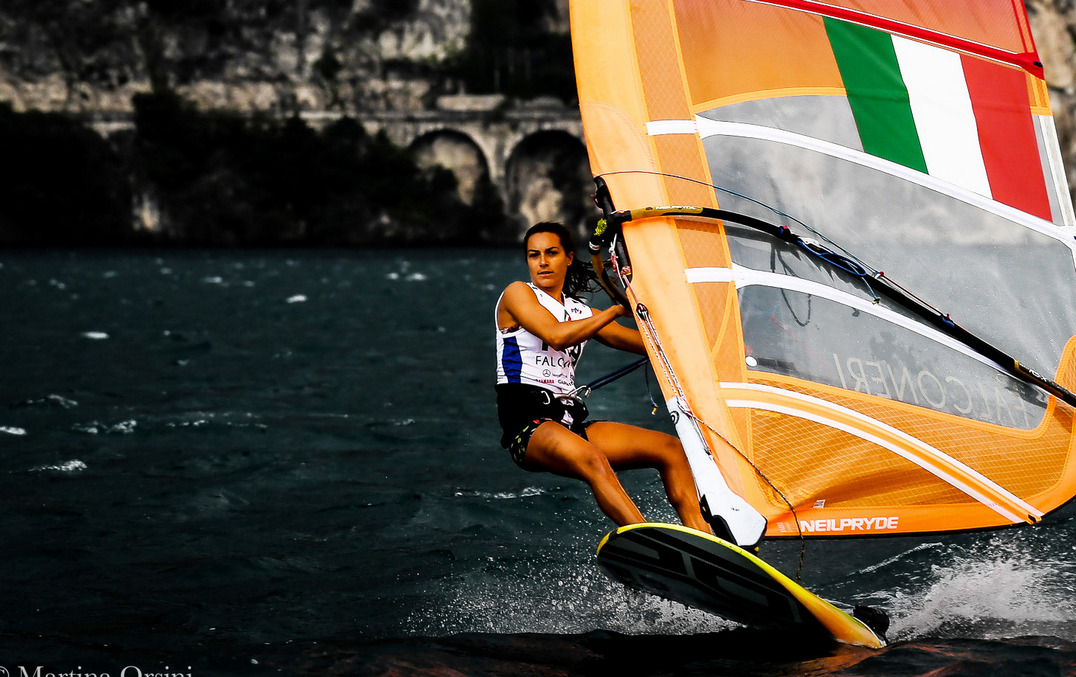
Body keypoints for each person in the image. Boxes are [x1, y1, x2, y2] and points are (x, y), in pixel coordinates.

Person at [494, 221, 711, 533]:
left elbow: (654, 347)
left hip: (568, 422)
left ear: (568, 257)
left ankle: (704, 539)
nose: (542, 262)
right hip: (526, 424)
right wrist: (613, 311)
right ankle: (649, 541)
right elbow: (556, 336)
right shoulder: (518, 294)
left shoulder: (582, 313)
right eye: (534, 255)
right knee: (593, 459)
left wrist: (703, 341)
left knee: (670, 450)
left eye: (551, 253)